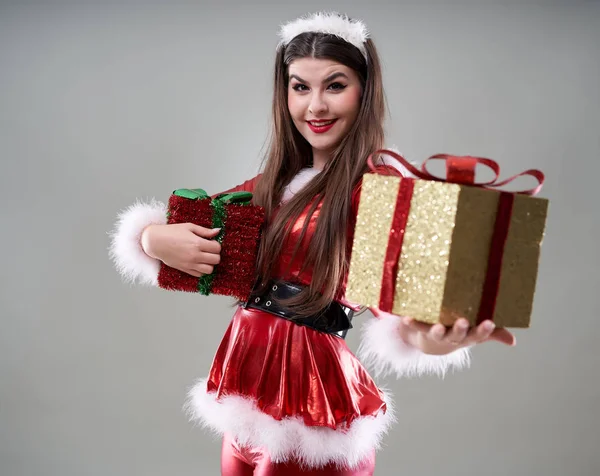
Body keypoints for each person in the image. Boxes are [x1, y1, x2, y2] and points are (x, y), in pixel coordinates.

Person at [109, 11, 516, 476]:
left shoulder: (379, 189)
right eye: (300, 86)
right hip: (244, 403)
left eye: (335, 85)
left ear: (365, 90)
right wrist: (149, 235)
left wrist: (430, 337)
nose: (315, 106)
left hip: (310, 413)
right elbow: (194, 222)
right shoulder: (273, 184)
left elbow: (399, 308)